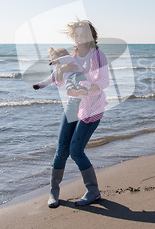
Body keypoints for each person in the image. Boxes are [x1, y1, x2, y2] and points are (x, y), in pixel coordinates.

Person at [37, 19, 109, 208]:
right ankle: (54, 192)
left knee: (76, 151)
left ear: (90, 36)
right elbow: (61, 83)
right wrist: (60, 72)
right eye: (75, 35)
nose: (78, 38)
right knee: (62, 149)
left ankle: (93, 191)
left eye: (82, 34)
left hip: (92, 106)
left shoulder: (98, 55)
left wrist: (86, 87)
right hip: (72, 106)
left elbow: (103, 82)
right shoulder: (73, 56)